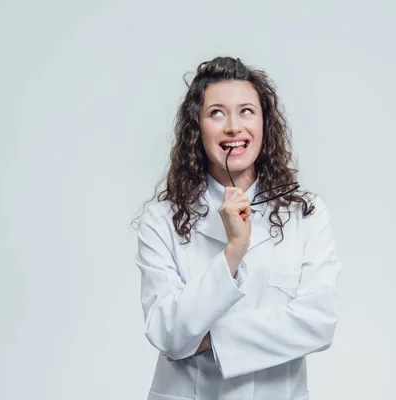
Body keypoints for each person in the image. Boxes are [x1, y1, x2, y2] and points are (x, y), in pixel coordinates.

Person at [134, 56, 341, 400]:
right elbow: (168, 335)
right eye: (216, 113)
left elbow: (319, 323)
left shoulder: (307, 214)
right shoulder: (161, 220)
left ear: (264, 124)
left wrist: (208, 340)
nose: (233, 127)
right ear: (196, 129)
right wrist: (233, 251)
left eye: (246, 111)